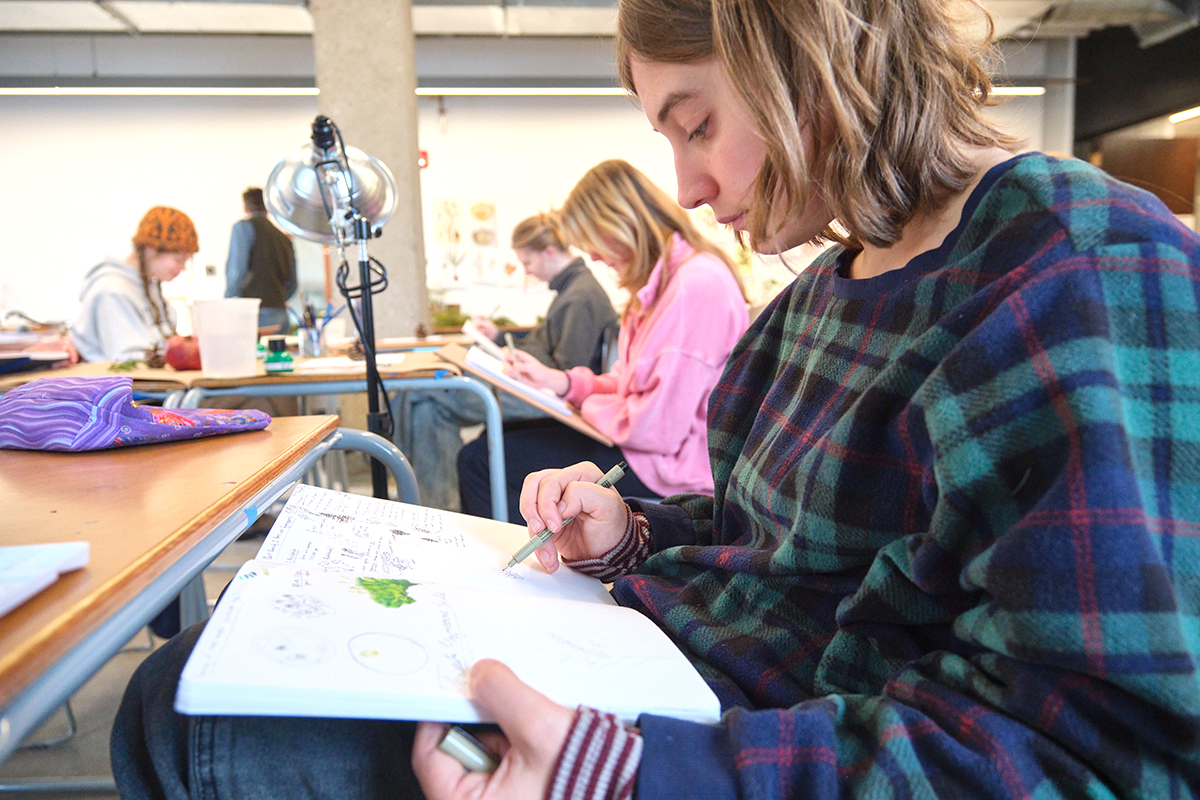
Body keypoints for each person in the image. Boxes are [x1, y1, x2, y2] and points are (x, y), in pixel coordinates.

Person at [110, 0, 1200, 796]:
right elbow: (764, 544)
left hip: (740, 745)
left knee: (188, 715)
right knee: (198, 672)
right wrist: (631, 537)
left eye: (698, 124)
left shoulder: (1073, 266)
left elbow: (1098, 753)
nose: (689, 187)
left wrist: (635, 776)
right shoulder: (815, 299)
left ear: (814, 53)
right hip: (678, 667)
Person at [457, 159, 749, 522]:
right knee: (496, 438)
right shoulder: (664, 285)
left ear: (622, 224)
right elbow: (630, 383)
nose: (593, 256)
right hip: (645, 451)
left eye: (593, 242)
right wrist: (563, 383)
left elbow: (656, 430)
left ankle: (528, 553)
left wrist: (590, 407)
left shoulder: (695, 286)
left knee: (480, 461)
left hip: (666, 468)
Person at [396, 213, 618, 512]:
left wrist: (515, 358)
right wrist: (500, 339)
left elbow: (566, 368)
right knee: (424, 407)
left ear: (548, 252)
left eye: (528, 262)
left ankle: (431, 508)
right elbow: (548, 347)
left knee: (423, 394)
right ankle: (439, 510)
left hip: (552, 400)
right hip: (542, 391)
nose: (527, 271)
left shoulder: (580, 296)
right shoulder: (574, 291)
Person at [70, 206, 197, 363]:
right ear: (151, 250)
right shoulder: (112, 290)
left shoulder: (149, 287)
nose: (183, 268)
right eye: (179, 259)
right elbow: (127, 359)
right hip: (122, 378)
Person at [225, 187, 296, 334]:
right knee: (280, 349)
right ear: (268, 207)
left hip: (253, 312)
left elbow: (237, 271)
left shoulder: (243, 228)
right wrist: (277, 299)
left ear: (245, 208)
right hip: (279, 312)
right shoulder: (284, 238)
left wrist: (228, 301)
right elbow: (293, 283)